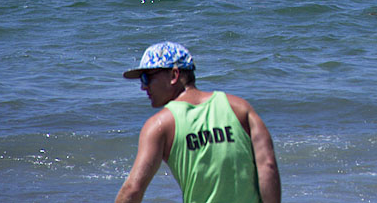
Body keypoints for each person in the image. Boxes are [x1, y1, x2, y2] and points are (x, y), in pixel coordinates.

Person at [116, 41, 281, 203]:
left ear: (174, 75)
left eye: (146, 78)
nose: (143, 87)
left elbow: (133, 189)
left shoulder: (160, 125)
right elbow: (268, 166)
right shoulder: (240, 108)